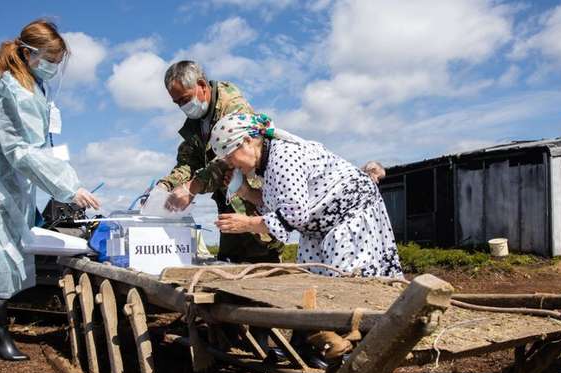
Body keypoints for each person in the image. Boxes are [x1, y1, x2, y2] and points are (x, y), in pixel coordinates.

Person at [0, 19, 100, 361]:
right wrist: (69, 186)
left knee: (3, 244)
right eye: (50, 58)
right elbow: (22, 148)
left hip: (7, 178)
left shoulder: (31, 82)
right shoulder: (7, 85)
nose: (53, 66)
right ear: (29, 52)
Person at [212, 113, 402, 277]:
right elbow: (280, 203)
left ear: (247, 141)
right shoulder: (266, 165)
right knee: (317, 284)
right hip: (320, 227)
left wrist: (246, 224)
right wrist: (245, 192)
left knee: (347, 285)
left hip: (350, 216)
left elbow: (294, 216)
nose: (230, 164)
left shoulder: (282, 157)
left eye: (229, 156)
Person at [156, 61, 283, 263]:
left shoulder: (233, 106)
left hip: (252, 202)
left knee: (261, 267)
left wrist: (192, 187)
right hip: (227, 205)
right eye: (177, 102)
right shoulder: (195, 126)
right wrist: (165, 187)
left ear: (202, 85)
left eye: (185, 99)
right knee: (228, 265)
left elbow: (230, 157)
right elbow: (187, 163)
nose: (182, 106)